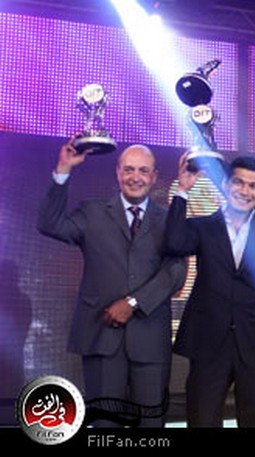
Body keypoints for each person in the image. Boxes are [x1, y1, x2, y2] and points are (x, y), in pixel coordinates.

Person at [37, 137, 186, 427]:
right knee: (105, 427)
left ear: (154, 176)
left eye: (143, 171)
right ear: (118, 172)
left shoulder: (170, 220)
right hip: (101, 336)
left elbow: (176, 271)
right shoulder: (92, 212)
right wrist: (63, 170)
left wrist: (133, 303)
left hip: (150, 341)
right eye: (128, 169)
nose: (135, 177)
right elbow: (49, 224)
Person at [164, 154, 255, 428]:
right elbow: (173, 243)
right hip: (209, 344)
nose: (244, 191)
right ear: (225, 185)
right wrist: (183, 190)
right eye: (238, 183)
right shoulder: (202, 227)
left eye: (252, 186)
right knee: (202, 421)